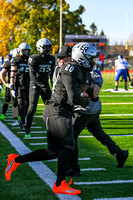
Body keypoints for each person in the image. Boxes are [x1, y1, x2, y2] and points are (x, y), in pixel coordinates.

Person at [4, 42, 98, 195]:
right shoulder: (70, 68)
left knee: (52, 152)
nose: (93, 61)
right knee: (68, 144)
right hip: (56, 110)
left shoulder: (83, 71)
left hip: (63, 112)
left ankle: (15, 160)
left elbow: (89, 93)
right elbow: (74, 97)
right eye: (91, 58)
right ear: (82, 57)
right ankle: (59, 183)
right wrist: (87, 99)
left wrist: (92, 92)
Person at [25, 38, 55, 137]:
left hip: (45, 84)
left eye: (49, 47)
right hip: (35, 84)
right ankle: (27, 128)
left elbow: (52, 75)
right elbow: (32, 76)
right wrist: (42, 86)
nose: (48, 49)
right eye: (46, 47)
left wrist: (53, 85)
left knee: (51, 106)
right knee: (33, 107)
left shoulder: (51, 59)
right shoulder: (34, 58)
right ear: (40, 48)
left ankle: (53, 128)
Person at [10, 43, 31, 130]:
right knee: (21, 104)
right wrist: (12, 87)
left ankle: (23, 118)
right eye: (24, 51)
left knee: (28, 103)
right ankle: (23, 123)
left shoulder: (30, 60)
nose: (26, 52)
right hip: (19, 86)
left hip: (29, 85)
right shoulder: (16, 60)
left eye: (27, 50)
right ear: (20, 51)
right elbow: (12, 74)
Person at [0, 49, 20, 125]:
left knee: (19, 101)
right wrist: (5, 83)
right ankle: (4, 114)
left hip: (19, 84)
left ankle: (18, 116)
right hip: (11, 84)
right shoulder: (9, 63)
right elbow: (2, 73)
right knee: (8, 100)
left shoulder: (21, 62)